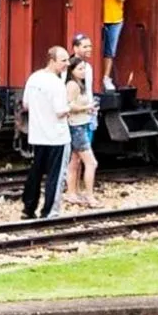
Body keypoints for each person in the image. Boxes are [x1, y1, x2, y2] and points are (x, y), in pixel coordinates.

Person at [20, 47, 72, 219]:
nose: (67, 64)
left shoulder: (34, 78)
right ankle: (50, 211)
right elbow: (60, 111)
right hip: (57, 136)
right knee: (55, 176)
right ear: (52, 60)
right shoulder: (56, 84)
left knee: (36, 172)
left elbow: (26, 104)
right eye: (63, 60)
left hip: (38, 134)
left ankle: (28, 207)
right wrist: (73, 107)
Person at [64, 56, 99, 208]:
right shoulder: (73, 85)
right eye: (80, 69)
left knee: (74, 162)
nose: (83, 71)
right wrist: (87, 108)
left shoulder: (78, 84)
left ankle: (72, 193)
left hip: (79, 125)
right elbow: (68, 106)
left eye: (84, 68)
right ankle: (89, 196)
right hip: (77, 127)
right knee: (91, 163)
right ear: (72, 71)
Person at [98, 0, 127, 90]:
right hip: (101, 19)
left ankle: (106, 78)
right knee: (98, 49)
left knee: (110, 51)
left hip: (115, 20)